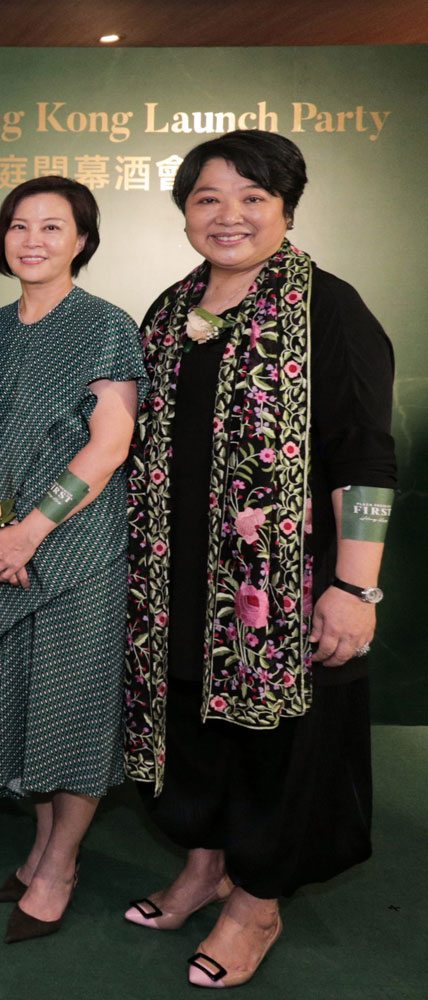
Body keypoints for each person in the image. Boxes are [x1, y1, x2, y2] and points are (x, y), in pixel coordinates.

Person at [123, 130, 395, 988]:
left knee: (282, 744)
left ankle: (257, 903)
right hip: (177, 582)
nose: (228, 216)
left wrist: (354, 586)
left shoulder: (331, 308)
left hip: (286, 586)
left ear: (286, 208)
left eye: (252, 198)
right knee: (193, 730)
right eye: (208, 199)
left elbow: (366, 458)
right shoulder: (169, 311)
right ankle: (205, 868)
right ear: (185, 214)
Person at [0, 176, 143, 943]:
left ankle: (62, 863)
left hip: (79, 547)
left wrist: (29, 532)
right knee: (22, 699)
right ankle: (38, 847)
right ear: (1, 238)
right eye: (19, 225)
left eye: (53, 227)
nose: (33, 239)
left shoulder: (105, 326)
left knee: (71, 710)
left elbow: (111, 444)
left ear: (82, 241)